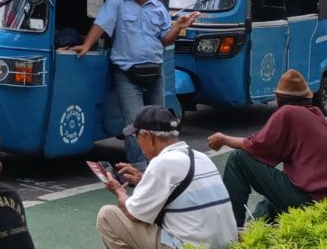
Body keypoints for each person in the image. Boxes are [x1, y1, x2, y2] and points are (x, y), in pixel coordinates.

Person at [76, 0, 198, 167]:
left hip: (155, 73)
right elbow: (101, 23)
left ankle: (159, 166)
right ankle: (140, 168)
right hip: (127, 74)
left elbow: (165, 39)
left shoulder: (158, 7)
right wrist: (87, 45)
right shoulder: (117, 2)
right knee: (135, 125)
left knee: (158, 122)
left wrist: (178, 27)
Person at [207, 69, 327, 226]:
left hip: (310, 200)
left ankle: (233, 228)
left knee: (238, 159)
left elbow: (256, 145)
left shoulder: (288, 112)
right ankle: (255, 225)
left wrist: (223, 139)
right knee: (280, 178)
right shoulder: (316, 114)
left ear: (279, 99)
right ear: (306, 97)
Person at [96, 105, 236, 249]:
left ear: (148, 137)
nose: (139, 144)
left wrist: (118, 190)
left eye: (137, 137)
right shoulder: (201, 157)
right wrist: (144, 179)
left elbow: (133, 214)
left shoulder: (162, 163)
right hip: (226, 244)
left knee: (107, 215)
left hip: (192, 246)